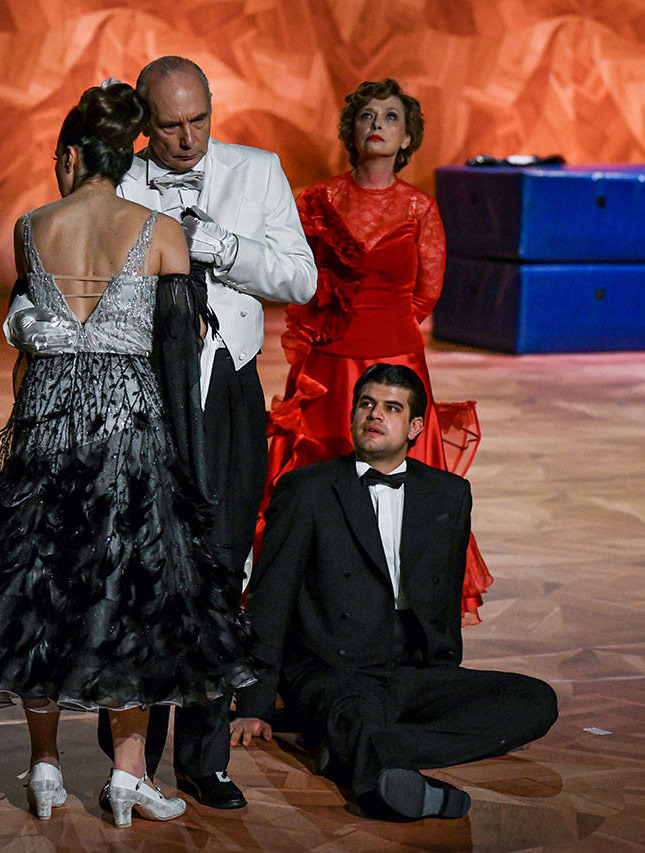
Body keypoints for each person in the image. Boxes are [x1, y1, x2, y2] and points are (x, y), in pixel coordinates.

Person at [0, 82, 255, 828]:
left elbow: (27, 339)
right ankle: (129, 779)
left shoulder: (32, 227)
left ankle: (44, 766)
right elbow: (180, 351)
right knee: (132, 593)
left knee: (38, 587)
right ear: (126, 154)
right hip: (129, 429)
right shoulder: (161, 232)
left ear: (70, 156)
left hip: (47, 425)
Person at [92, 55, 317, 811]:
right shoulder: (118, 182)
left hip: (228, 389)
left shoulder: (258, 171)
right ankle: (134, 761)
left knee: (221, 565)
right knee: (141, 568)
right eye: (170, 126)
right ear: (143, 123)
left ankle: (205, 758)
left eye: (200, 120)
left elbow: (301, 279)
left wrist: (223, 247)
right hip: (145, 391)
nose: (188, 139)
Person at [232, 364, 558, 820]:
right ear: (352, 415)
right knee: (354, 713)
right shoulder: (307, 490)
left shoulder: (448, 494)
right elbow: (271, 598)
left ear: (415, 427)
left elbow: (444, 596)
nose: (375, 415)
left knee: (535, 701)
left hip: (412, 671)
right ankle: (389, 771)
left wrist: (441, 671)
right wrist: (254, 704)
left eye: (391, 408)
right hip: (334, 670)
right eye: (366, 404)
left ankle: (356, 747)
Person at [261, 78, 491, 625]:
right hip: (328, 364)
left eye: (391, 117)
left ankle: (403, 611)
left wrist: (381, 328)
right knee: (321, 475)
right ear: (352, 130)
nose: (378, 125)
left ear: (407, 137)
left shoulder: (419, 208)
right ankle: (315, 607)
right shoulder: (315, 200)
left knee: (403, 481)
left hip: (397, 358)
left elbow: (427, 292)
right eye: (367, 115)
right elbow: (295, 277)